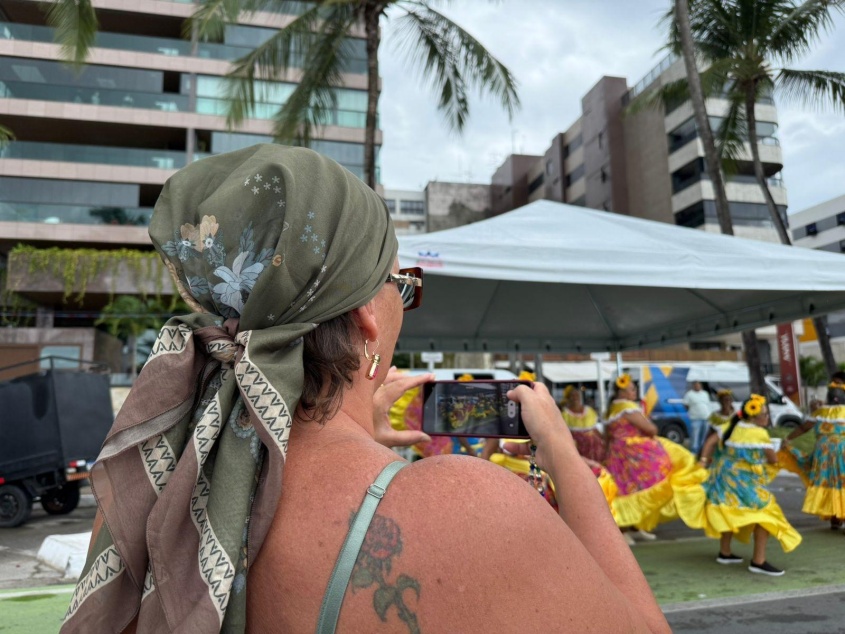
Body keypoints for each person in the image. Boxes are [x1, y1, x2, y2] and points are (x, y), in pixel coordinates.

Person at [62, 146, 670, 633]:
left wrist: (359, 447)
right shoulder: (466, 510)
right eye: (401, 283)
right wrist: (563, 455)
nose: (405, 299)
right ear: (364, 320)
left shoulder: (145, 493)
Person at [696, 395, 801, 576]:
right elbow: (772, 459)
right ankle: (758, 561)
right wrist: (779, 452)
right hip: (744, 481)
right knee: (765, 514)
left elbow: (710, 442)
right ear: (753, 416)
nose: (767, 418)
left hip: (725, 477)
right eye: (765, 415)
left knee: (729, 510)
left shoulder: (730, 425)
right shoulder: (759, 434)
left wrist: (703, 461)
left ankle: (725, 552)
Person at [603, 374, 706, 546]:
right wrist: (648, 423)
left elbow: (608, 435)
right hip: (633, 454)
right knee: (643, 484)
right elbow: (651, 429)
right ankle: (624, 528)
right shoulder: (627, 408)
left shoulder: (612, 409)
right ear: (622, 391)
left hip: (618, 454)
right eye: (632, 389)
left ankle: (634, 527)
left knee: (626, 487)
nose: (634, 392)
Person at [782, 379, 845, 530]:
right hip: (842, 451)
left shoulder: (820, 413)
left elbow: (803, 428)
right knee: (842, 482)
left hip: (823, 454)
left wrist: (788, 439)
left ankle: (835, 518)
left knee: (828, 482)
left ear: (828, 397)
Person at [561, 385, 605, 463]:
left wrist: (604, 439)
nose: (575, 398)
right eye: (572, 396)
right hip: (578, 446)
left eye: (577, 395)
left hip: (594, 445)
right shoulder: (565, 414)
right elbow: (564, 432)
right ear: (568, 398)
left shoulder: (589, 411)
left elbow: (594, 428)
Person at [682, 381, 712, 455]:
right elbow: (686, 405)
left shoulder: (705, 393)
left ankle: (702, 452)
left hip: (706, 418)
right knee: (695, 436)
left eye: (698, 385)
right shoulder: (689, 394)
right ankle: (694, 452)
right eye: (695, 385)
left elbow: (707, 405)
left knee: (704, 436)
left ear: (700, 386)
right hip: (695, 419)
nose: (697, 386)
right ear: (693, 386)